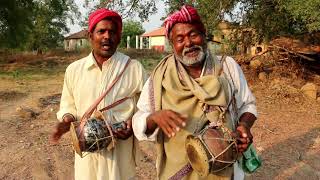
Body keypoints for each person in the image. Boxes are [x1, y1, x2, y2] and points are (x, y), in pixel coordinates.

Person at [132, 5, 257, 180]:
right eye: (180, 39)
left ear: (204, 34)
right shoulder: (159, 77)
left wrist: (244, 126)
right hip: (177, 171)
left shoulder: (227, 66)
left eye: (193, 34)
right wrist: (154, 118)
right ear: (172, 44)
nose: (188, 43)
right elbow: (138, 120)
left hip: (225, 167)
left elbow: (248, 105)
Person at [50, 8, 147, 180]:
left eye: (112, 32)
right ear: (90, 35)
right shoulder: (74, 70)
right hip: (88, 158)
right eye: (101, 31)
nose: (107, 37)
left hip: (120, 158)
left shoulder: (134, 69)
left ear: (119, 37)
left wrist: (133, 124)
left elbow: (147, 107)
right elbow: (68, 104)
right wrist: (67, 120)